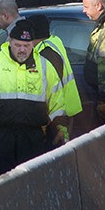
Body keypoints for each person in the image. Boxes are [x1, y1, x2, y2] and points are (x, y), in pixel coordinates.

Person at [0, 19, 67, 182]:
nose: (22, 50)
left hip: (32, 138)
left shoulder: (45, 67)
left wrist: (60, 126)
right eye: (18, 45)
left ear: (33, 44)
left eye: (27, 45)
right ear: (9, 42)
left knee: (32, 182)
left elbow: (56, 100)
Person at [28, 14, 82, 145]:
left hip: (57, 116)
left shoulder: (46, 54)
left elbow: (48, 89)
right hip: (64, 110)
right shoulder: (53, 42)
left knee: (55, 154)